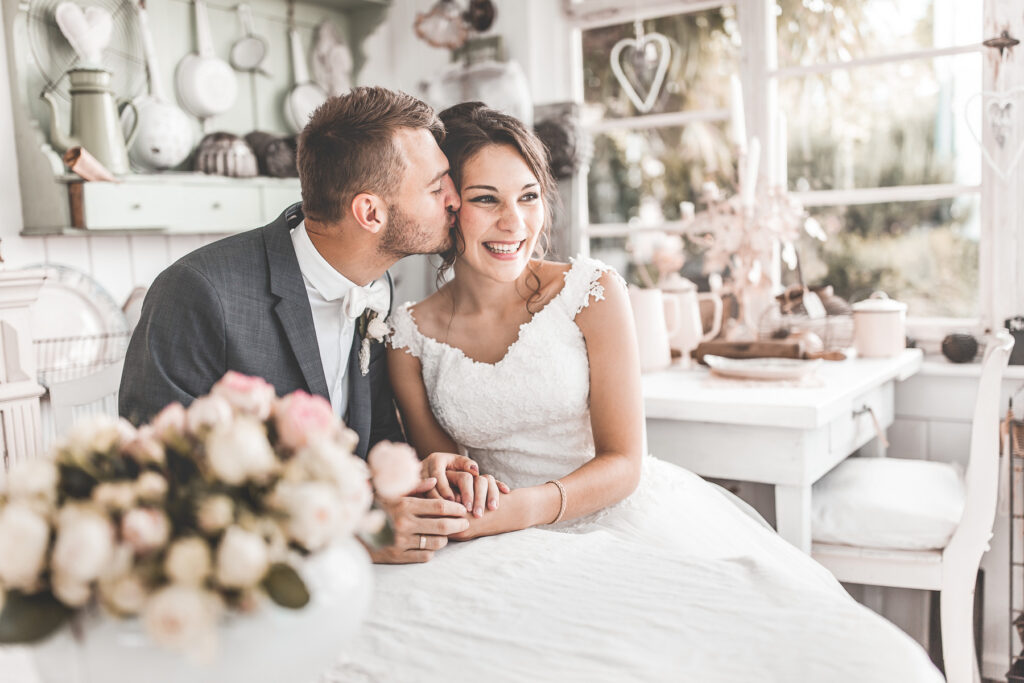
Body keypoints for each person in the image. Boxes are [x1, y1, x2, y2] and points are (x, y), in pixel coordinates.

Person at [325, 103, 942, 681]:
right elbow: (447, 469)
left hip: (619, 512)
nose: (515, 222)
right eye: (487, 200)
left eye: (529, 197)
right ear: (450, 205)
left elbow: (625, 462)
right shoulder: (405, 334)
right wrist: (463, 489)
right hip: (503, 545)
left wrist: (524, 508)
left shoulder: (591, 292)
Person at [118, 87, 477, 564]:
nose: (456, 199)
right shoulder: (198, 292)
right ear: (369, 212)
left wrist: (413, 477)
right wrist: (355, 534)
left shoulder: (376, 283)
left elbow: (367, 437)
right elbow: (152, 482)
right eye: (436, 188)